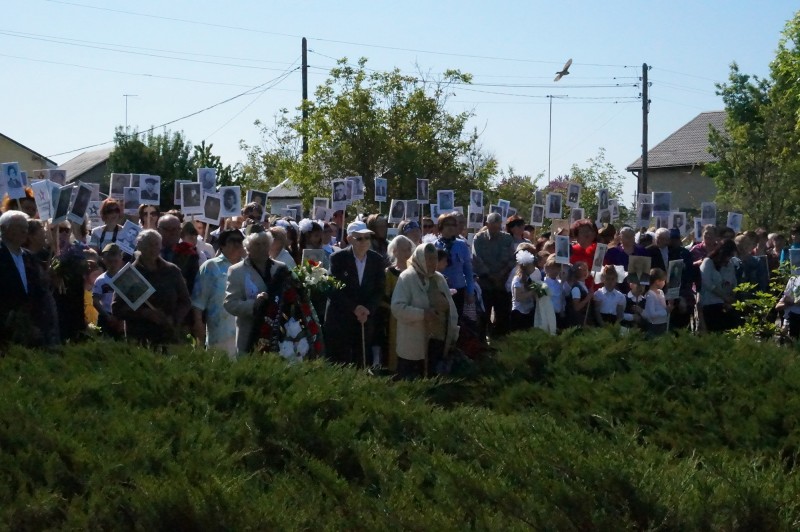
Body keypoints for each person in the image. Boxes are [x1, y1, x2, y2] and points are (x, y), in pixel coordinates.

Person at [391, 243, 459, 379]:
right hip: (413, 344)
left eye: (435, 258)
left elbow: (451, 307)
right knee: (411, 383)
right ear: (420, 258)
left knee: (433, 382)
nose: (433, 262)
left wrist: (452, 332)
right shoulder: (407, 278)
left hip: (437, 342)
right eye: (428, 258)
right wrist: (422, 314)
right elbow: (397, 308)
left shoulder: (439, 278)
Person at [112, 230, 191, 346]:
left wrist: (174, 319)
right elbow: (116, 308)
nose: (153, 248)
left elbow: (185, 301)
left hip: (168, 336)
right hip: (139, 337)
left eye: (156, 244)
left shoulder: (172, 271)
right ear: (139, 246)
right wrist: (144, 313)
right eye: (149, 244)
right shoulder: (128, 275)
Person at [325, 221, 386, 367]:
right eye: (359, 238)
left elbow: (379, 290)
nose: (364, 241)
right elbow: (333, 288)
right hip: (341, 319)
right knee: (340, 363)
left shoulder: (377, 260)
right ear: (349, 239)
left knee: (361, 361)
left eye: (367, 237)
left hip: (364, 319)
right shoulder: (337, 258)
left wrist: (367, 309)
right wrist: (355, 308)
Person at [192, 229, 244, 358]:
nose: (237, 244)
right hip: (220, 335)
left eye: (240, 241)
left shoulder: (248, 268)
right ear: (222, 245)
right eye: (232, 241)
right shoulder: (211, 266)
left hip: (244, 335)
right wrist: (199, 328)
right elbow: (198, 302)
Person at [0, 211, 49, 346]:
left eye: (26, 227)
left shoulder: (30, 257)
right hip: (5, 328)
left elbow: (38, 292)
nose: (24, 231)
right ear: (4, 228)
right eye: (19, 227)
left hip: (31, 328)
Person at [473, 212, 516, 337]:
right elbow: (476, 259)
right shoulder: (479, 238)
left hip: (502, 284)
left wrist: (501, 274)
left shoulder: (507, 239)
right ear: (487, 224)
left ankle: (500, 341)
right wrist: (490, 276)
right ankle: (482, 342)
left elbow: (512, 259)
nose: (495, 230)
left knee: (502, 316)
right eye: (493, 227)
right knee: (483, 316)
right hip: (485, 284)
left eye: (498, 227)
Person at [435, 212, 475, 317]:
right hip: (439, 290)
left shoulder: (462, 245)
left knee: (456, 320)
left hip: (458, 289)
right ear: (440, 226)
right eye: (447, 224)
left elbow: (468, 271)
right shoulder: (433, 245)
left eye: (453, 225)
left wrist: (470, 291)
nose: (451, 227)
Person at [699, 239, 739, 333]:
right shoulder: (708, 262)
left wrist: (730, 299)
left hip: (726, 304)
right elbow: (708, 284)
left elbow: (733, 283)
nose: (729, 258)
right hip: (710, 304)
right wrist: (724, 297)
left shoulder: (729, 265)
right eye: (729, 255)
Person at [159, 214, 200, 294]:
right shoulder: (148, 250)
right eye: (169, 229)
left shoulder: (189, 254)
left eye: (177, 229)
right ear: (159, 230)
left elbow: (193, 285)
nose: (174, 233)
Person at [92, 243, 125, 338]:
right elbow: (95, 301)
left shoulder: (125, 278)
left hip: (122, 318)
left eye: (115, 261)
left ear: (120, 259)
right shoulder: (101, 280)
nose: (113, 264)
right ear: (104, 260)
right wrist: (107, 316)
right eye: (110, 261)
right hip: (106, 316)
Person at [509, 248, 539, 332]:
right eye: (532, 266)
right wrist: (532, 292)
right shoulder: (517, 279)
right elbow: (518, 297)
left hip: (528, 312)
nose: (534, 268)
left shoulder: (529, 279)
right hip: (518, 313)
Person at [570, 219, 598, 291]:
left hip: (595, 291)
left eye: (589, 231)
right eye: (583, 231)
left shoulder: (598, 250)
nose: (587, 234)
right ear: (577, 235)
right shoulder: (571, 251)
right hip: (576, 291)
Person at [642, 268, 671, 336]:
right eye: (663, 281)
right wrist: (665, 311)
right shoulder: (650, 295)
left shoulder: (661, 292)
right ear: (657, 281)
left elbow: (663, 307)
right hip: (654, 326)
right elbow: (652, 314)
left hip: (663, 323)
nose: (664, 283)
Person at [563, 262, 591, 328]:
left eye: (586, 269)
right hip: (578, 321)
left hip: (585, 319)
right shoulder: (576, 288)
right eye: (583, 270)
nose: (585, 271)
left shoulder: (583, 285)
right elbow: (576, 307)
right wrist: (587, 298)